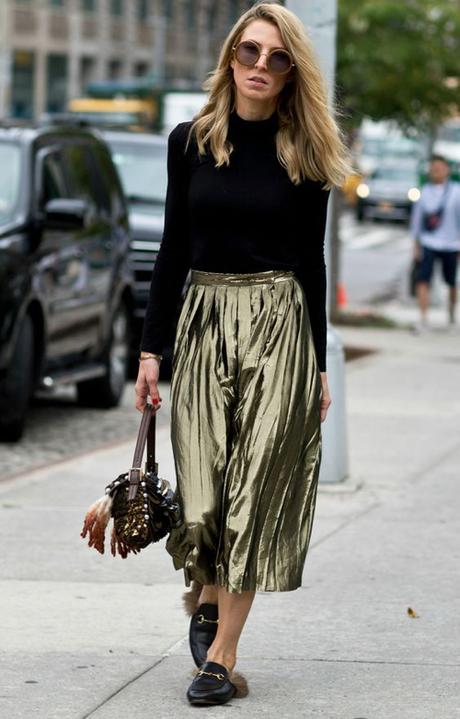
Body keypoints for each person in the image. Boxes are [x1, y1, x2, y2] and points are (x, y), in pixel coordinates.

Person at [135, 0, 350, 707]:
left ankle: (221, 656)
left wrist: (317, 361)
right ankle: (204, 593)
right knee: (201, 492)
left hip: (279, 323)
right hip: (202, 319)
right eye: (250, 52)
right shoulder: (189, 140)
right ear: (231, 56)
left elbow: (312, 265)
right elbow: (171, 249)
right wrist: (149, 351)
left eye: (277, 58)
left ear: (292, 73)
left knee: (255, 491)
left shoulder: (306, 151)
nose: (261, 66)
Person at [410, 154, 460, 333]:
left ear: (447, 171)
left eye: (439, 168)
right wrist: (415, 245)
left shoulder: (456, 191)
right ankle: (423, 318)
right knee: (423, 280)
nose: (436, 171)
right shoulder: (424, 192)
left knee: (451, 282)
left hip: (451, 243)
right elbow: (416, 220)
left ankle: (451, 315)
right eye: (433, 169)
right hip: (429, 242)